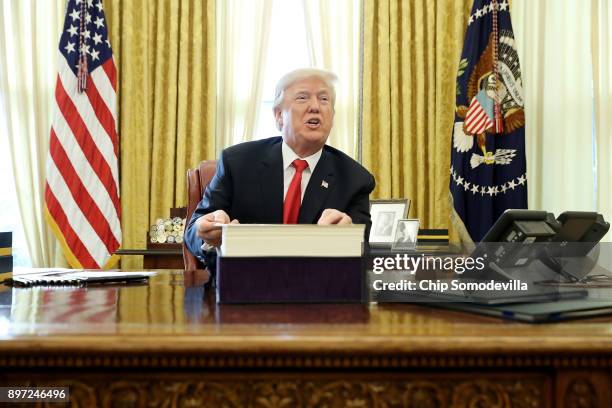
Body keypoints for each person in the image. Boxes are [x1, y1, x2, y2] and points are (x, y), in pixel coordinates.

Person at [185, 68, 376, 261]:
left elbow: (363, 249)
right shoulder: (237, 162)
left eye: (324, 99)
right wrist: (207, 234)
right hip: (244, 284)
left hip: (318, 286)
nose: (315, 107)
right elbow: (192, 232)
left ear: (332, 117)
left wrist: (348, 238)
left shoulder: (354, 178)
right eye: (302, 98)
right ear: (278, 115)